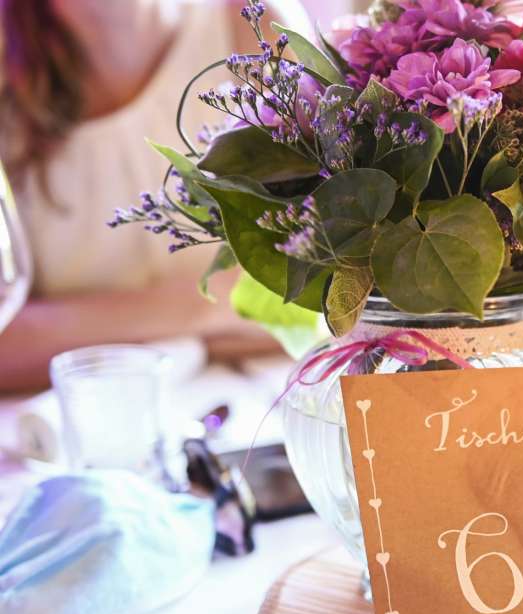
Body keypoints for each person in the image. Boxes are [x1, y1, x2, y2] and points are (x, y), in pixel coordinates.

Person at [0, 0, 309, 392]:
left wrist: (72, 330)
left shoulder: (252, 24)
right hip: (80, 417)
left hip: (265, 403)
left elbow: (330, 293)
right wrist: (211, 308)